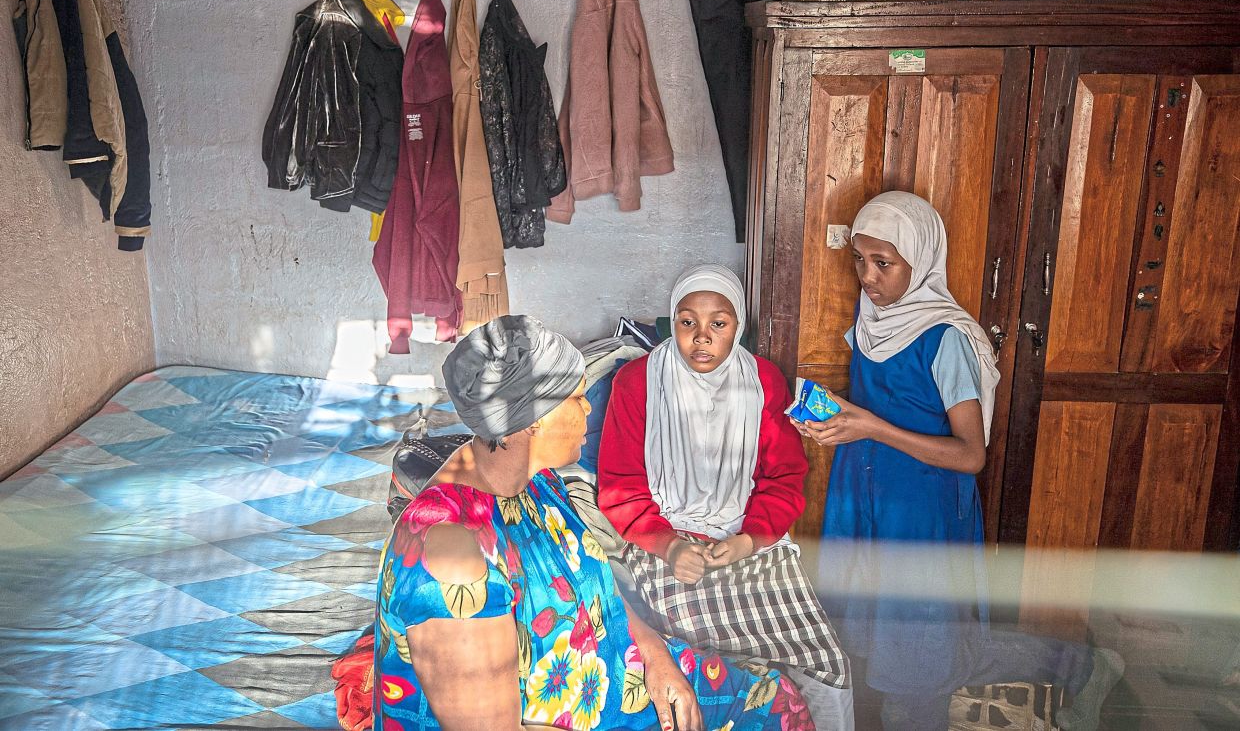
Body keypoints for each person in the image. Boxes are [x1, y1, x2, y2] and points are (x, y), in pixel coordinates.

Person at [374, 315, 814, 731]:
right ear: (532, 420)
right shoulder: (455, 558)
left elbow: (599, 592)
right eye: (578, 396)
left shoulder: (538, 485)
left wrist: (655, 656)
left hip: (610, 680)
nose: (589, 409)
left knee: (774, 698)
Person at [797, 192, 1123, 731]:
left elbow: (971, 455)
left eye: (884, 263)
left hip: (922, 510)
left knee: (921, 654)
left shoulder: (946, 339)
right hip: (867, 497)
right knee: (881, 636)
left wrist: (871, 427)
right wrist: (831, 419)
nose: (867, 277)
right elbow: (875, 404)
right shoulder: (873, 318)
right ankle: (1080, 664)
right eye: (859, 260)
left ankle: (1078, 664)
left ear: (920, 260)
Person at [598, 265, 854, 730]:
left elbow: (784, 479)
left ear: (738, 328)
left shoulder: (763, 382)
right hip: (667, 545)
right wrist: (670, 546)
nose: (701, 337)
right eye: (686, 321)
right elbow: (621, 486)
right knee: (700, 670)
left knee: (825, 662)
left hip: (750, 544)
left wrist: (749, 540)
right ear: (671, 323)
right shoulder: (637, 383)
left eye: (719, 323)